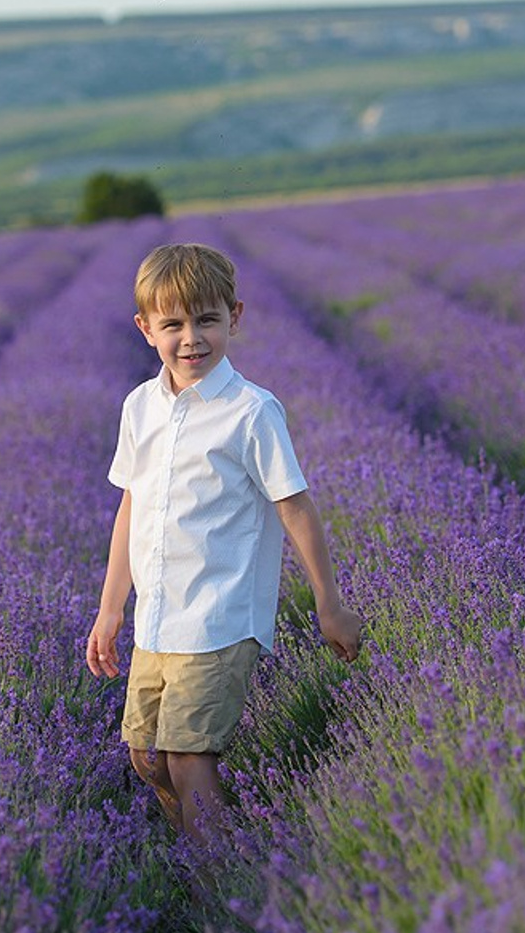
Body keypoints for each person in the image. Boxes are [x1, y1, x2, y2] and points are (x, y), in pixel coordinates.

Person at [86, 242, 363, 846]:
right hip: (157, 619)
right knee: (146, 756)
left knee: (189, 759)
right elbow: (130, 508)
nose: (192, 338)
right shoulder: (140, 408)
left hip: (217, 617)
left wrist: (329, 603)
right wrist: (111, 611)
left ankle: (217, 889)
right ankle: (201, 852)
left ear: (234, 317)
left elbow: (295, 506)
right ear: (145, 329)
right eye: (174, 324)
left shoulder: (251, 412)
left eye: (207, 320)